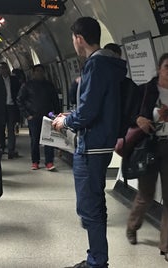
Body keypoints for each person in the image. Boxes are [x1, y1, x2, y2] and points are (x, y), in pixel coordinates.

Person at [52, 17, 127, 268]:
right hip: (103, 142)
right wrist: (71, 115)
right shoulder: (111, 64)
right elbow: (94, 105)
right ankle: (97, 257)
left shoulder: (96, 65)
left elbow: (88, 112)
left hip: (91, 145)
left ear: (79, 38)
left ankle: (97, 262)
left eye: (73, 39)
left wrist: (66, 122)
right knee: (96, 202)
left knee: (88, 206)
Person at [125, 53, 168, 264]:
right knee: (145, 194)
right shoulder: (145, 90)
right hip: (150, 147)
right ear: (159, 68)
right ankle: (133, 225)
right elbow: (128, 114)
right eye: (167, 66)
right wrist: (139, 119)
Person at [16, 64, 61, 171]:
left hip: (48, 116)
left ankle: (49, 162)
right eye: (38, 71)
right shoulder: (27, 85)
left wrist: (57, 115)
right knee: (35, 140)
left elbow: (55, 100)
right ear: (33, 72)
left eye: (41, 71)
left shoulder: (49, 85)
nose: (40, 73)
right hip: (34, 117)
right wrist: (27, 115)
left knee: (48, 140)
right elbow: (19, 100)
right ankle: (35, 161)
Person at [0, 62, 21, 159]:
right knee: (1, 128)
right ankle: (1, 147)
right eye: (1, 68)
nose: (3, 70)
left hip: (11, 106)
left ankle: (11, 150)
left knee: (11, 129)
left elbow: (19, 93)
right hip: (1, 107)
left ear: (8, 69)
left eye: (5, 68)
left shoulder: (14, 80)